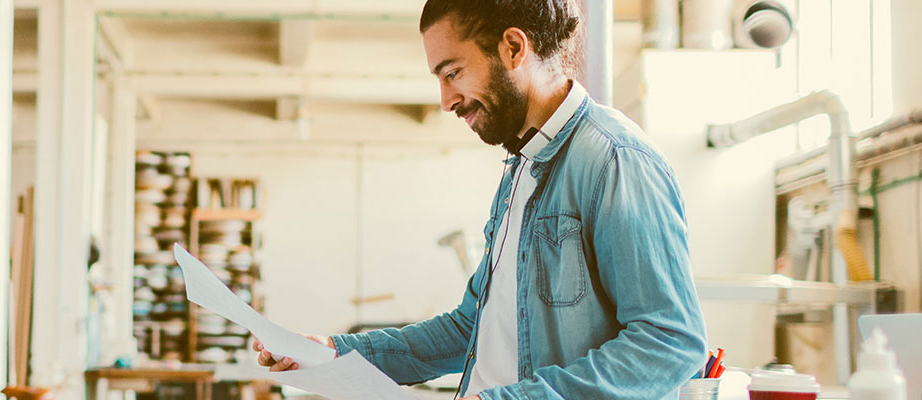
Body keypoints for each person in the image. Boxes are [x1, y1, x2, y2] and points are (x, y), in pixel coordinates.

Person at [253, 0, 708, 399]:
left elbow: (669, 342)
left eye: (453, 72)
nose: (447, 100)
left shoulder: (614, 159)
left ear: (513, 47)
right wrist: (334, 352)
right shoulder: (521, 169)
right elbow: (470, 328)